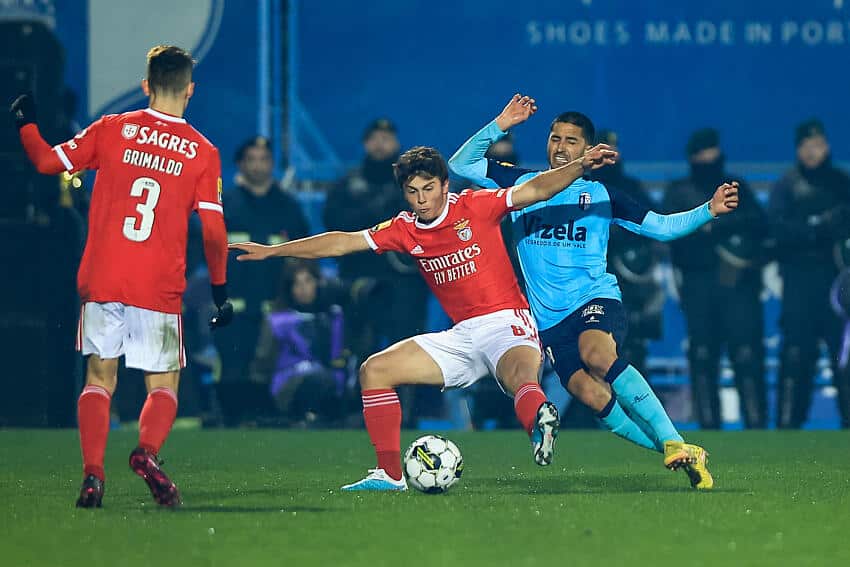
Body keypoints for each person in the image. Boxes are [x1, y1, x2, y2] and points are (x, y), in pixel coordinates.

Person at [230, 127, 619, 491]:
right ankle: (388, 472)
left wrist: (580, 165)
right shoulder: (404, 228)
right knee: (375, 370)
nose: (421, 199)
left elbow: (535, 189)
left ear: (444, 186)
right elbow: (341, 243)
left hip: (506, 322)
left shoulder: (476, 205)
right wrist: (274, 252)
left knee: (520, 376)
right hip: (461, 335)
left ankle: (539, 421)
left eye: (428, 189)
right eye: (413, 191)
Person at [449, 94, 741, 489]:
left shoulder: (604, 195)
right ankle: (682, 450)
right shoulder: (520, 185)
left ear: (587, 149)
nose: (560, 147)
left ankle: (673, 438)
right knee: (587, 393)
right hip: (549, 320)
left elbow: (661, 227)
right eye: (554, 138)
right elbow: (459, 164)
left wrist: (709, 209)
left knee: (597, 355)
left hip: (594, 300)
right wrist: (502, 122)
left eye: (571, 141)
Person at [11, 45, 233, 508]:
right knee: (163, 382)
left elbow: (47, 163)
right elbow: (213, 231)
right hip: (158, 283)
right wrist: (219, 288)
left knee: (99, 377)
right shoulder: (203, 153)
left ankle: (93, 475)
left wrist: (25, 124)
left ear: (146, 85)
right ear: (190, 90)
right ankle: (147, 453)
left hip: (104, 276)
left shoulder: (113, 130)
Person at [663, 128, 768, 429]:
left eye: (712, 150)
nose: (709, 157)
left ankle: (758, 430)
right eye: (703, 151)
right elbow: (670, 232)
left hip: (737, 284)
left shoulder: (737, 187)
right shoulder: (680, 191)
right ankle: (709, 428)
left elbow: (760, 225)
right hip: (698, 284)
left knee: (746, 355)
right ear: (693, 156)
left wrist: (718, 228)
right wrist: (708, 228)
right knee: (703, 355)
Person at [212, 136, 310, 426]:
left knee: (272, 369)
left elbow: (304, 250)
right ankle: (230, 424)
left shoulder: (287, 206)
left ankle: (270, 422)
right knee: (232, 368)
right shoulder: (224, 204)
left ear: (272, 164)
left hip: (276, 310)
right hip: (231, 307)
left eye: (264, 159)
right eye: (251, 159)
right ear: (240, 164)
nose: (258, 165)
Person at [769, 119, 850, 428]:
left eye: (818, 146)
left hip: (838, 283)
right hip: (799, 281)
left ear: (826, 146)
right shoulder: (786, 185)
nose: (813, 152)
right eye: (806, 147)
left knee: (844, 356)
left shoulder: (842, 184)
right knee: (796, 357)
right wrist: (817, 227)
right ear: (798, 150)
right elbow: (776, 230)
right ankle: (788, 429)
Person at [251, 260, 349, 426]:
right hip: (290, 384)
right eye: (297, 283)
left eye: (308, 281)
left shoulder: (334, 316)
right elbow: (263, 362)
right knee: (319, 380)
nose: (303, 288)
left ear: (318, 283)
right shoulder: (278, 320)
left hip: (332, 379)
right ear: (289, 288)